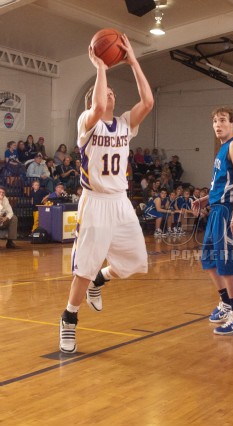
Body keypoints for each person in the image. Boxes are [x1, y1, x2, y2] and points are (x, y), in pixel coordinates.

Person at [58, 32, 154, 354]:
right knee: (83, 268)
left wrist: (133, 61)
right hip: (95, 201)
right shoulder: (88, 123)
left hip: (120, 201)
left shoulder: (125, 124)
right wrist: (100, 66)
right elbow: (98, 104)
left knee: (136, 261)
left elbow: (148, 102)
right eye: (105, 90)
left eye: (113, 91)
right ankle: (69, 318)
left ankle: (100, 281)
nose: (110, 94)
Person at [192, 107, 233, 335]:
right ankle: (227, 302)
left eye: (223, 120)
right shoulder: (222, 149)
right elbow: (224, 183)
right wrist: (206, 199)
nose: (218, 125)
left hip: (228, 211)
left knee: (227, 265)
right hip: (216, 209)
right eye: (215, 121)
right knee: (209, 260)